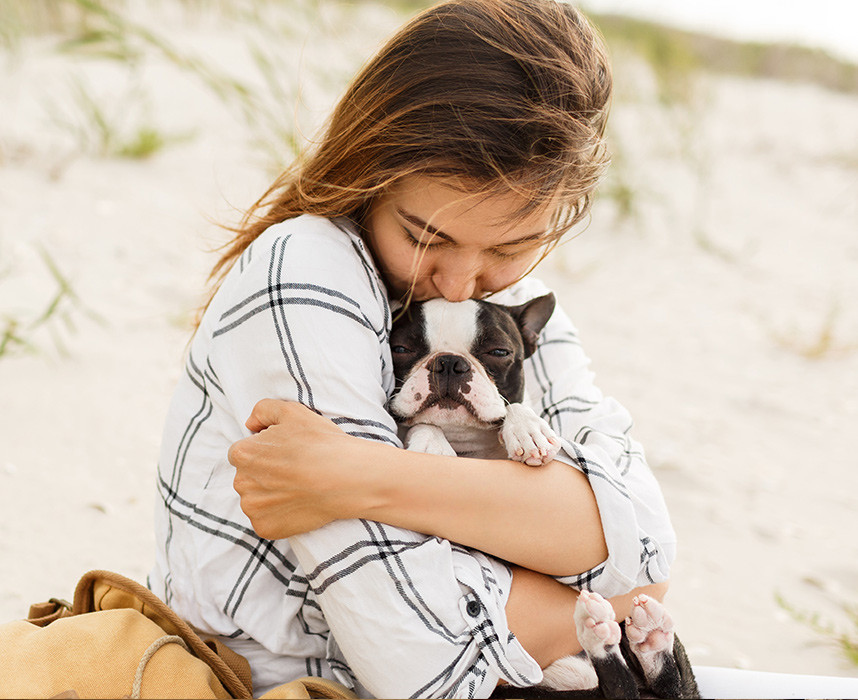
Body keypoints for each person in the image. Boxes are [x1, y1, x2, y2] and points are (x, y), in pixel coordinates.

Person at [148, 0, 676, 696]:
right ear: (368, 169)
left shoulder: (510, 310)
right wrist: (566, 561)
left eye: (511, 246)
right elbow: (422, 663)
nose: (459, 284)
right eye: (426, 237)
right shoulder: (305, 268)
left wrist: (359, 477)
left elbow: (645, 556)